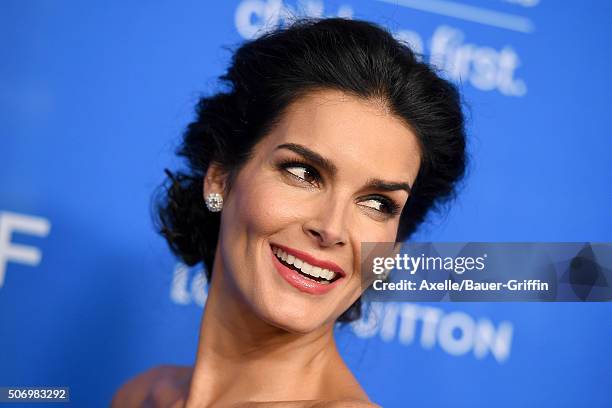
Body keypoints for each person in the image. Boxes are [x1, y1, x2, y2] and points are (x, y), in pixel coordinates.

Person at [112, 17, 466, 407]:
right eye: (303, 173)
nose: (331, 228)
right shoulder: (143, 395)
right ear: (219, 178)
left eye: (377, 203)